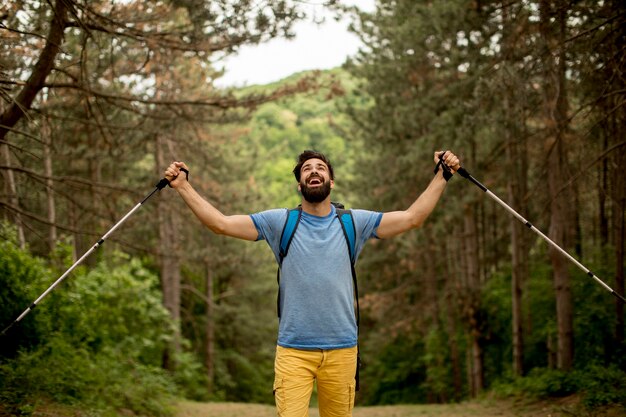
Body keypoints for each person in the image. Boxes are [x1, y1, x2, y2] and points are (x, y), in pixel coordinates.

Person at [164, 149, 460, 417]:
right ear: (299, 185)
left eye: (320, 168)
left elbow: (412, 218)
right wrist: (183, 186)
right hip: (293, 351)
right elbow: (221, 223)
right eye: (306, 169)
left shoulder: (353, 223)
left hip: (343, 349)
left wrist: (442, 175)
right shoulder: (280, 222)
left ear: (331, 183)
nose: (314, 171)